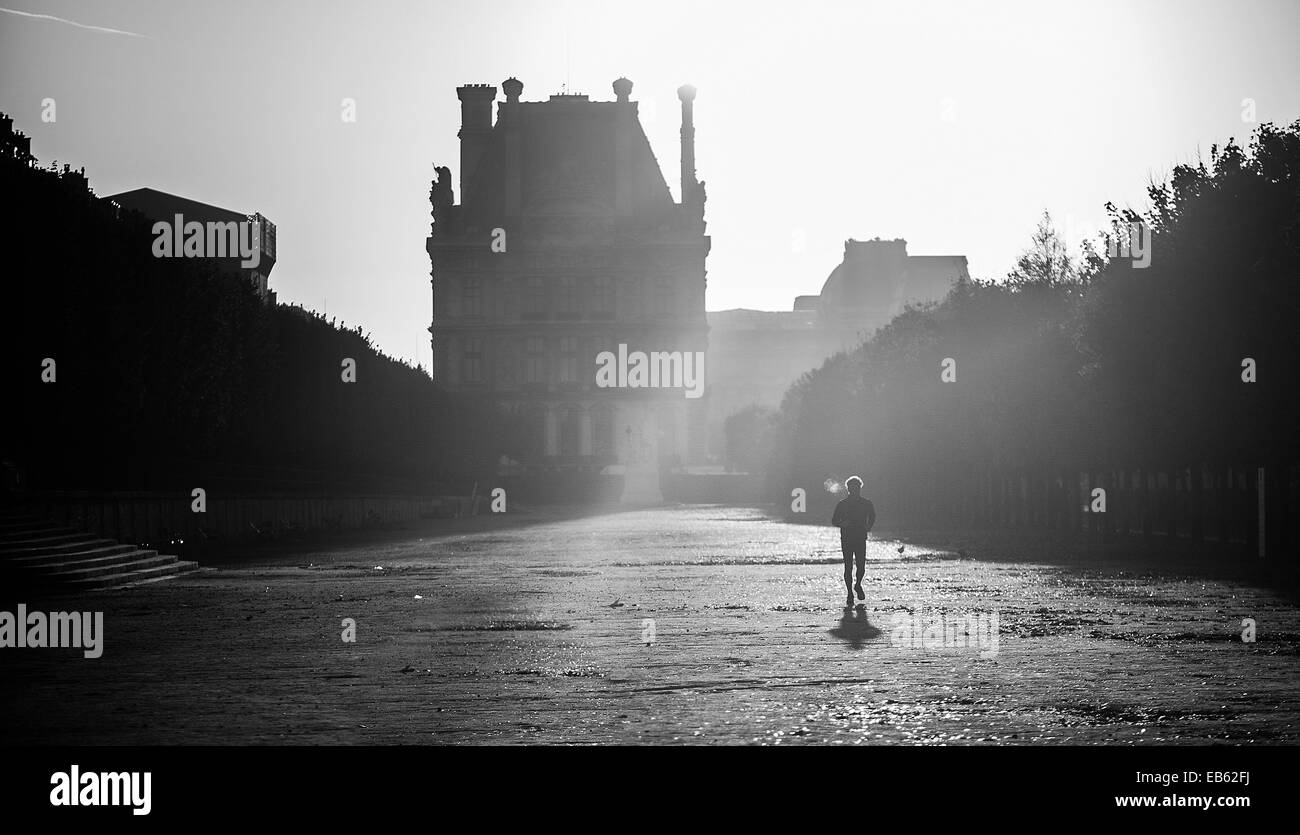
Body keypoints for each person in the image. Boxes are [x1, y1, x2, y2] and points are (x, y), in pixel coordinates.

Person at [831, 476, 876, 607]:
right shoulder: (842, 504)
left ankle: (857, 585)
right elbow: (834, 520)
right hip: (847, 537)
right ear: (848, 489)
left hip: (860, 537)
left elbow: (872, 515)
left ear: (859, 488)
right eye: (852, 488)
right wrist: (842, 523)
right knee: (848, 566)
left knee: (861, 566)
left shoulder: (866, 503)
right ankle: (850, 593)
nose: (854, 490)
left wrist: (869, 526)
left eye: (856, 488)